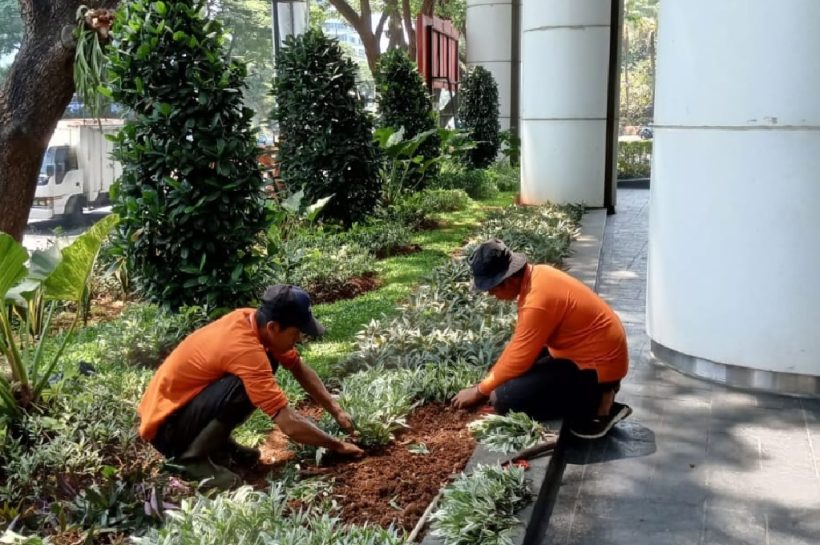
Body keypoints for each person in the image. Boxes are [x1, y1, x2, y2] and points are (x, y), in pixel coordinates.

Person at [138, 284, 364, 488]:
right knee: (243, 385)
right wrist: (337, 445)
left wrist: (337, 411)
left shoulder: (252, 320)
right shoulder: (244, 350)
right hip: (167, 429)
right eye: (296, 333)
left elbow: (298, 367)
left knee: (266, 364)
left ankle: (219, 446)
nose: (300, 339)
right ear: (274, 327)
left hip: (182, 412)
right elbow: (289, 423)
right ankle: (191, 459)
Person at [452, 239, 632, 439]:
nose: (491, 294)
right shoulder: (538, 274)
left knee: (504, 399)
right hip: (587, 353)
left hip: (597, 367)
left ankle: (598, 402)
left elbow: (519, 358)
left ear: (509, 280)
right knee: (506, 376)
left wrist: (479, 391)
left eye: (491, 288)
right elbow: (520, 347)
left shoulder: (537, 301)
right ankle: (595, 392)